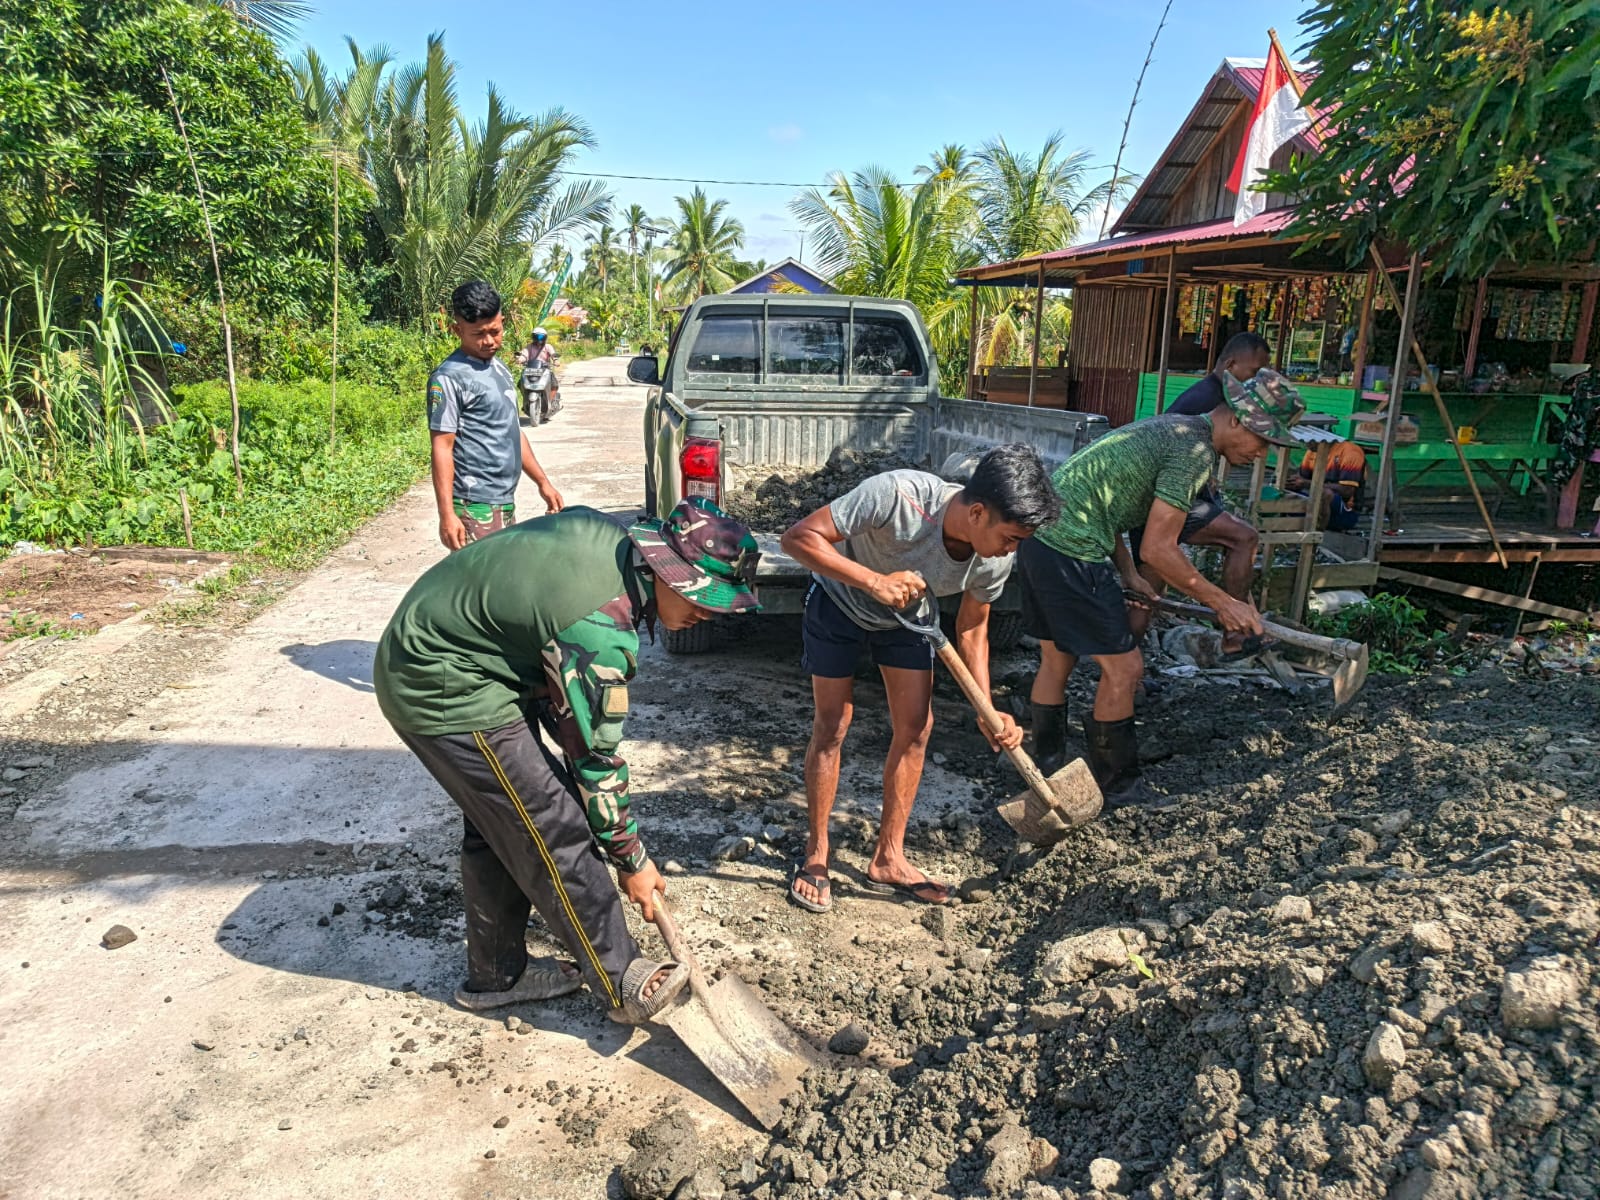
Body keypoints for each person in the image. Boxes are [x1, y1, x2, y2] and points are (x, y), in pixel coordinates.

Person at [373, 499, 763, 1023]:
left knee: (505, 821)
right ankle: (621, 978)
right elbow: (594, 765)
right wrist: (632, 860)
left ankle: (495, 976)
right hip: (442, 679)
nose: (709, 612)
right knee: (554, 824)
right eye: (699, 595)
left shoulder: (616, 548)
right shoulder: (598, 627)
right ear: (664, 568)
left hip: (467, 652)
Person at [779, 444, 1061, 913]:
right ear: (976, 512)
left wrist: (986, 709)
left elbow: (972, 627)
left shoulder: (995, 558)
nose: (1013, 549)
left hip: (907, 617)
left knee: (916, 727)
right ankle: (817, 855)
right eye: (1011, 537)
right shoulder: (898, 495)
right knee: (834, 724)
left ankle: (888, 858)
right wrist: (873, 581)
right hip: (838, 603)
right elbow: (798, 539)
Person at [1020, 370, 1303, 806]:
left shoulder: (1172, 429)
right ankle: (1118, 787)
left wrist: (1129, 574)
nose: (1261, 453)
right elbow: (1159, 548)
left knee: (1057, 658)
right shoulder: (1193, 451)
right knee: (1126, 670)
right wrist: (1223, 602)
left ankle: (1043, 764)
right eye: (1262, 441)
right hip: (1073, 548)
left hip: (1042, 539)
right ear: (1235, 421)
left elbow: (1103, 498)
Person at [1127, 332, 1274, 608]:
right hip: (1163, 499)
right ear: (1230, 366)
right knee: (1244, 538)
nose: (1256, 383)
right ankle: (1238, 627)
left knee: (1148, 595)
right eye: (1254, 373)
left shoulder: (1210, 395)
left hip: (1157, 498)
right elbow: (1179, 458)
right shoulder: (1213, 402)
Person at [428, 282, 564, 550]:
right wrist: (447, 515)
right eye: (478, 333)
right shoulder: (448, 378)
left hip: (503, 500)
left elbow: (512, 431)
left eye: (495, 331)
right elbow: (442, 447)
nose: (489, 341)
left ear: (502, 321)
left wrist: (543, 482)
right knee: (484, 587)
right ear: (457, 330)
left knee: (503, 583)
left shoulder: (499, 368)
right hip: (474, 506)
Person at [516, 326, 563, 423]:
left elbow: (553, 355)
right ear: (533, 337)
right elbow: (524, 355)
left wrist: (556, 360)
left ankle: (549, 402)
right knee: (520, 384)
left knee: (554, 386)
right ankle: (526, 401)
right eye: (537, 337)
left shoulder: (548, 347)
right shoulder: (529, 347)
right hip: (530, 370)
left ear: (545, 338)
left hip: (544, 370)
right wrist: (520, 359)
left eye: (541, 337)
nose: (539, 340)